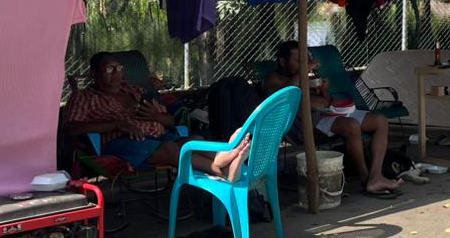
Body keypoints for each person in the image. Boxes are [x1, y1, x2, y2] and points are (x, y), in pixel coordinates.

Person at [66, 52, 250, 182]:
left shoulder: (136, 91)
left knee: (193, 140)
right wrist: (117, 124)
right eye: (109, 69)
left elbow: (171, 121)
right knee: (171, 148)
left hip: (160, 137)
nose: (116, 73)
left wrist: (157, 117)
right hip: (123, 144)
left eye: (119, 68)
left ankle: (227, 161)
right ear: (94, 74)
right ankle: (224, 168)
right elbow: (72, 129)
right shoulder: (84, 97)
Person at [264, 41, 402, 198]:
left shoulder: (303, 77)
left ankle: (376, 175)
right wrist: (302, 72)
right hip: (308, 123)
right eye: (298, 61)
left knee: (380, 121)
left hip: (329, 112)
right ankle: (365, 178)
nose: (303, 65)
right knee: (352, 126)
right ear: (283, 62)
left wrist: (324, 90)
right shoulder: (273, 80)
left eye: (304, 61)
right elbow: (286, 96)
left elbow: (324, 100)